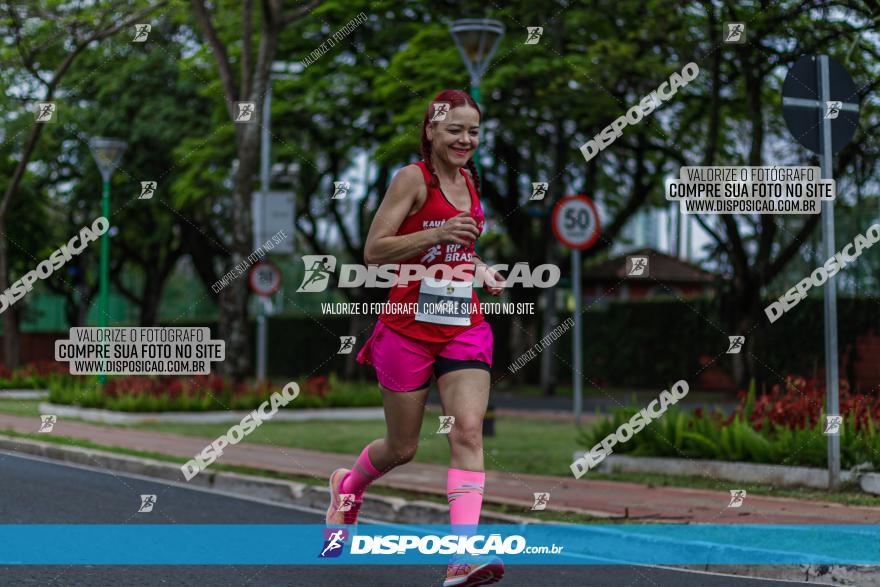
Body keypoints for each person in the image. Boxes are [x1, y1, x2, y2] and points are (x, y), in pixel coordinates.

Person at [326, 89, 505, 587]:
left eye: (473, 131)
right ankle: (348, 486)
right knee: (402, 448)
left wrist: (483, 270)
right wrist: (437, 233)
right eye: (455, 130)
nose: (465, 139)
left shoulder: (469, 182)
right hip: (407, 328)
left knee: (467, 431)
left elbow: (456, 253)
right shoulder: (412, 179)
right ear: (431, 131)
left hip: (462, 325)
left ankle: (460, 560)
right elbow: (374, 250)